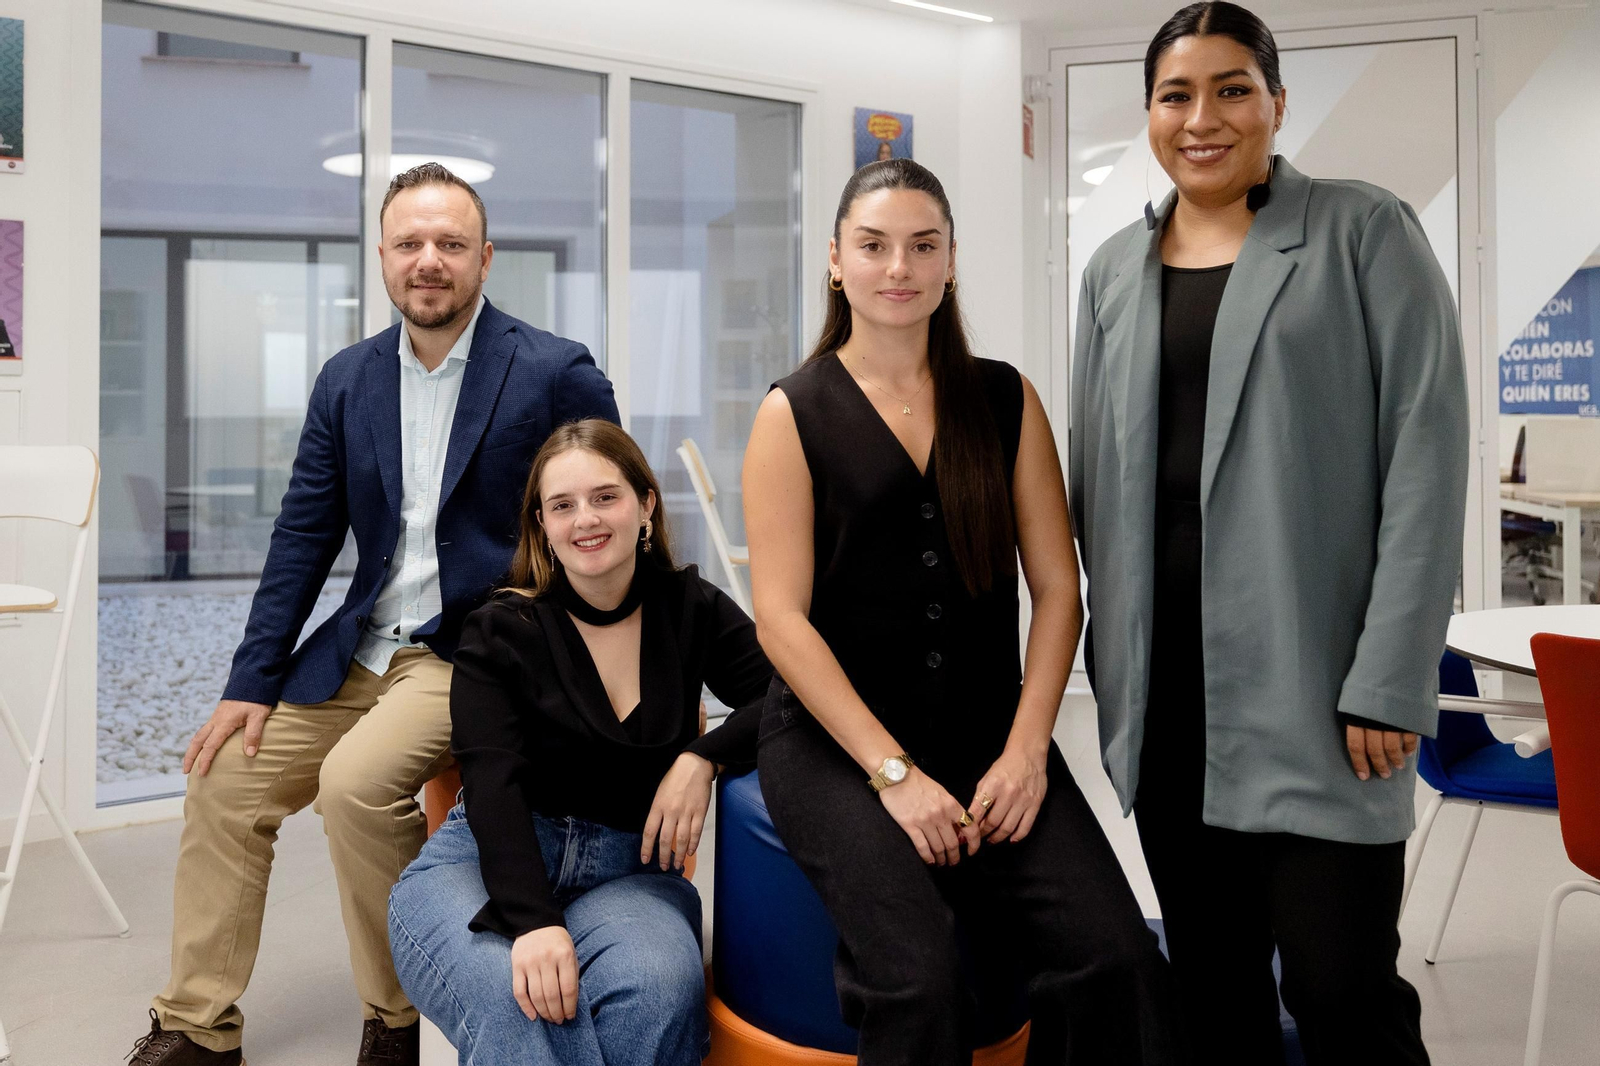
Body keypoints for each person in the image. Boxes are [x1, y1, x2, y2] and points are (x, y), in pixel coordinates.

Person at [124, 163, 619, 1066]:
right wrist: (251, 680)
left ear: (485, 258)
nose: (429, 261)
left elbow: (612, 520)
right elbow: (302, 539)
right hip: (361, 647)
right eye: (410, 243)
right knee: (224, 781)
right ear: (383, 257)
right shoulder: (347, 380)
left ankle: (394, 1021)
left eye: (451, 244)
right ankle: (199, 1026)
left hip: (476, 652)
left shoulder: (553, 371)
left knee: (356, 783)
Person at [1068, 4, 1469, 1064]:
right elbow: (1094, 477)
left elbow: (1426, 463)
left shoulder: (1362, 231)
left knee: (1341, 990)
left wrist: (1390, 672)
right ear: (1148, 111)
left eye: (1231, 88)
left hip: (1323, 688)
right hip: (1167, 704)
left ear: (1276, 104)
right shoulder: (1113, 272)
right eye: (1174, 94)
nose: (1202, 117)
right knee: (1211, 993)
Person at [742, 158, 1177, 1066]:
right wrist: (892, 774)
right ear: (834, 262)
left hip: (988, 733)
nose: (898, 267)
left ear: (949, 263)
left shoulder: (1004, 398)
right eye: (873, 246)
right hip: (834, 745)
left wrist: (1027, 752)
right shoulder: (793, 412)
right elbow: (780, 620)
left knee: (1118, 958)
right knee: (922, 977)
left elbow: (1059, 589)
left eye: (922, 246)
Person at [387, 419, 769, 1066]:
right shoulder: (499, 631)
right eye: (562, 506)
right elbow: (492, 783)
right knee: (516, 996)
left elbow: (787, 693)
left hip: (631, 875)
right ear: (542, 526)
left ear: (645, 504)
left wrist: (703, 759)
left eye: (605, 497)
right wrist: (533, 923)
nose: (585, 519)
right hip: (483, 867)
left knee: (657, 991)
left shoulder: (690, 608)